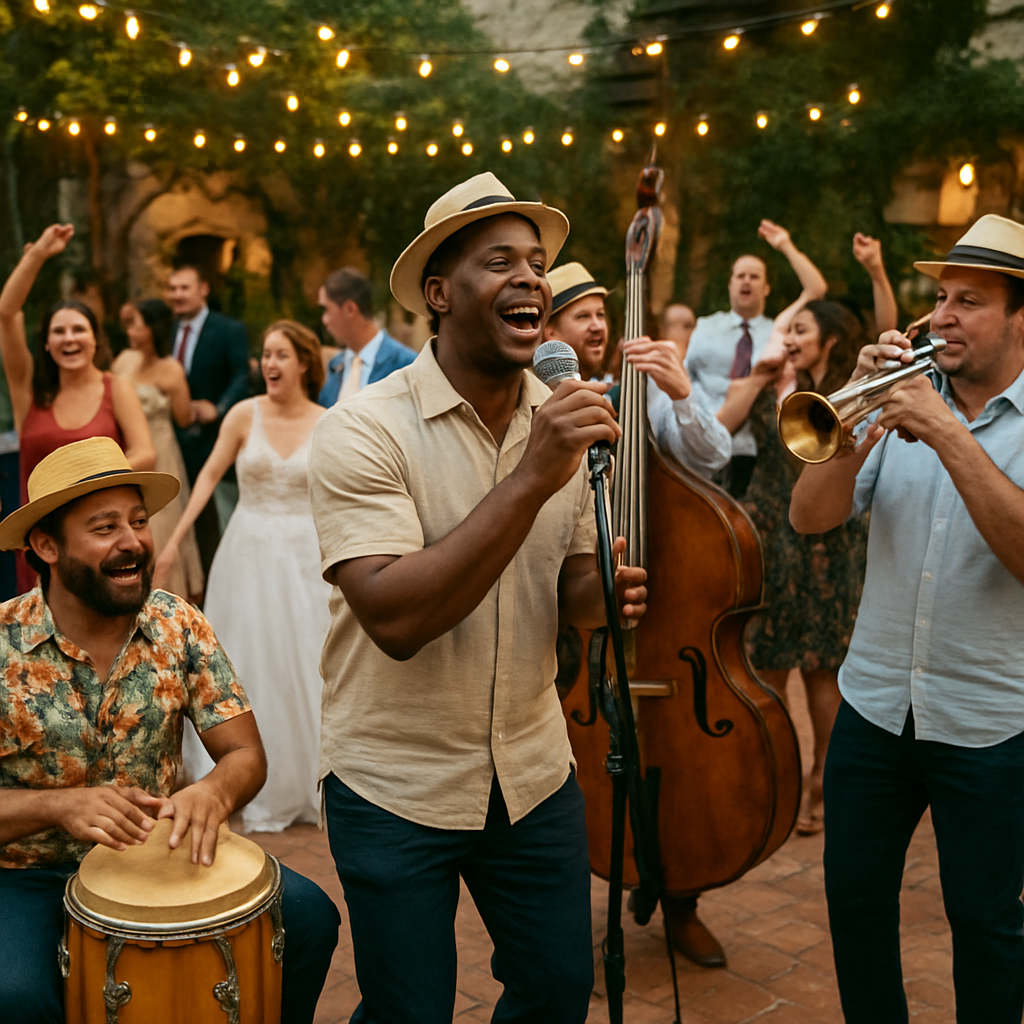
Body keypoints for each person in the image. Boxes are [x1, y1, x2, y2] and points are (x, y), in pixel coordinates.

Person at [308, 171, 647, 1024]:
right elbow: (395, 617)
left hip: (532, 774)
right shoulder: (362, 429)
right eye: (499, 262)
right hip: (396, 781)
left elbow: (570, 584)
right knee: (409, 1010)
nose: (530, 277)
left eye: (536, 263)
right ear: (440, 294)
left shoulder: (563, 414)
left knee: (557, 989)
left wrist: (605, 595)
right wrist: (533, 474)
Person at [0, 436, 340, 1024]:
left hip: (157, 854)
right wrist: (59, 806)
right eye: (105, 527)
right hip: (27, 876)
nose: (133, 540)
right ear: (47, 546)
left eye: (138, 521)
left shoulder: (177, 622)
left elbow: (244, 753)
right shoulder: (3, 642)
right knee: (17, 996)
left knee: (311, 919)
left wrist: (212, 793)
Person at [789, 213, 1024, 1022]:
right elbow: (809, 517)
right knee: (855, 909)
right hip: (875, 706)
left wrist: (946, 432)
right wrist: (852, 418)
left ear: (1021, 319)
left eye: (970, 301)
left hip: (991, 721)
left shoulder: (942, 414)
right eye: (941, 297)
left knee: (986, 926)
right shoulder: (897, 399)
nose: (942, 316)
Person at [155, 320, 329, 833]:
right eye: (266, 354)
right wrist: (174, 542)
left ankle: (312, 778)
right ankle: (243, 773)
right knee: (249, 659)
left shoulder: (330, 421)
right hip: (247, 553)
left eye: (281, 355)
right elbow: (208, 477)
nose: (269, 364)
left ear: (304, 363)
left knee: (306, 659)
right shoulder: (242, 414)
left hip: (306, 558)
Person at [719, 299, 868, 836]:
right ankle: (775, 782)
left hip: (830, 546)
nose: (791, 340)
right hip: (772, 540)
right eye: (789, 331)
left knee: (824, 669)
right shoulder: (775, 382)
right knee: (769, 666)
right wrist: (764, 375)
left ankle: (821, 784)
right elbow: (722, 426)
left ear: (831, 340)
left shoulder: (851, 392)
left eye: (802, 331)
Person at [0, 224, 155, 595]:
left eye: (79, 330)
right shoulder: (29, 390)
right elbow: (6, 312)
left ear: (95, 339)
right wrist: (38, 254)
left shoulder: (115, 388)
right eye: (58, 331)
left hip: (101, 539)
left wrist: (85, 481)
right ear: (46, 343)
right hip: (43, 541)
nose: (69, 338)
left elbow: (145, 452)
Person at [546, 262, 731, 479]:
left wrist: (683, 397)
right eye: (583, 316)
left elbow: (715, 456)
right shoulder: (536, 399)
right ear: (551, 333)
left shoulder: (638, 389)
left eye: (601, 315)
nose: (598, 326)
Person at [686, 220, 827, 497]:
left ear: (766, 288)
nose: (746, 281)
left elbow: (816, 290)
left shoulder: (780, 331)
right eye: (740, 276)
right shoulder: (704, 327)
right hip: (706, 448)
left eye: (754, 276)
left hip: (758, 455)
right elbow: (685, 381)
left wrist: (785, 245)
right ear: (730, 285)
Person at [112, 298, 204, 602]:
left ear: (155, 328)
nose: (132, 331)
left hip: (161, 456)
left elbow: (183, 417)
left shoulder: (170, 369)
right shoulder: (123, 360)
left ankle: (164, 600)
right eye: (130, 324)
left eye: (138, 324)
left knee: (160, 526)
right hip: (126, 453)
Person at [166, 264, 250, 577]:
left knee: (216, 523)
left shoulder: (228, 329)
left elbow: (242, 375)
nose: (177, 295)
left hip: (216, 440)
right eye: (173, 288)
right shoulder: (166, 331)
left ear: (203, 290)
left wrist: (220, 407)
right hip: (174, 443)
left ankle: (223, 578)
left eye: (184, 288)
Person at [317, 266, 417, 406]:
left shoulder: (406, 364)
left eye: (326, 309)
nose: (324, 320)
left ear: (350, 309)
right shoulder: (334, 366)